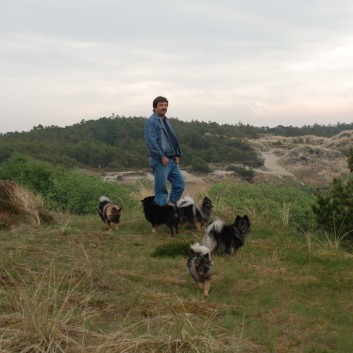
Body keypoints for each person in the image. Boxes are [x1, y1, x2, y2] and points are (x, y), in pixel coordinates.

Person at [144, 96, 185, 206]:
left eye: (166, 105)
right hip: (161, 160)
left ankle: (169, 208)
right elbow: (151, 143)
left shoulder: (167, 121)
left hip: (172, 160)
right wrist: (162, 156)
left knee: (179, 185)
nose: (164, 107)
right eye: (161, 105)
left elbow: (172, 139)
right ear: (154, 108)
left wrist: (176, 154)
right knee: (161, 191)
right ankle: (159, 216)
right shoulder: (151, 122)